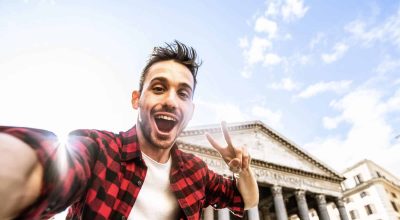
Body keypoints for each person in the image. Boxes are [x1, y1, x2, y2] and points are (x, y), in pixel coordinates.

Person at [0, 40, 259, 219]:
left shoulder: (196, 172)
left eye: (183, 93)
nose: (170, 100)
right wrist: (22, 175)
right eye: (158, 88)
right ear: (137, 99)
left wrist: (243, 170)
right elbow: (44, 170)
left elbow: (248, 201)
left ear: (190, 110)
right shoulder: (98, 149)